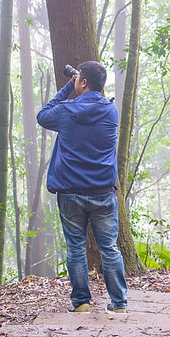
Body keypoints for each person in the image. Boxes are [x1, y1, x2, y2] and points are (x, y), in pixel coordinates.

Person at [37, 60, 128, 314]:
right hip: (103, 192)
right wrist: (76, 83)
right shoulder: (111, 111)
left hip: (70, 192)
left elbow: (42, 116)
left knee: (76, 248)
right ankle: (119, 304)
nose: (75, 81)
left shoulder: (66, 111)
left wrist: (68, 88)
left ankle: (81, 303)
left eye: (78, 79)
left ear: (83, 82)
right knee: (109, 248)